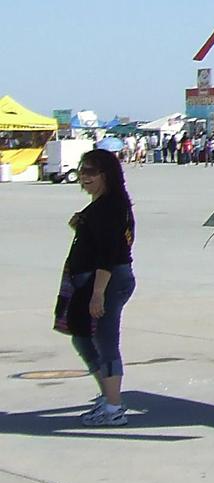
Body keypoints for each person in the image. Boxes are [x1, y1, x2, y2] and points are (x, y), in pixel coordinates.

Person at [63, 148, 136, 426]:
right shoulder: (103, 204)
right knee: (81, 336)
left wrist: (97, 294)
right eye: (82, 171)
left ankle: (113, 408)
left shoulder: (110, 206)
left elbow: (110, 253)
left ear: (107, 175)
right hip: (93, 281)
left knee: (106, 342)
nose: (84, 177)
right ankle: (108, 396)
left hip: (107, 282)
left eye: (91, 172)